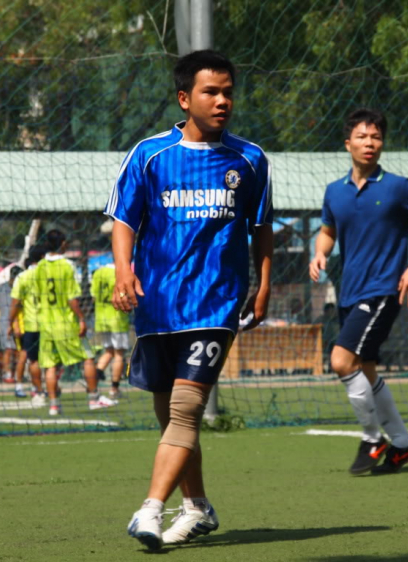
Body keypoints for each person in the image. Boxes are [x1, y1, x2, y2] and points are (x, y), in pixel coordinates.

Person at [105, 49, 273, 551]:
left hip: (215, 305)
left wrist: (263, 284)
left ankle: (150, 509)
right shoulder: (150, 155)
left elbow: (260, 229)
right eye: (210, 92)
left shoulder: (250, 159)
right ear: (184, 98)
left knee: (185, 409)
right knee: (170, 417)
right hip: (157, 305)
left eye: (228, 92)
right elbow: (124, 221)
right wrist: (122, 271)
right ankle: (197, 506)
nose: (222, 101)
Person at [309, 108, 408, 475]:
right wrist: (320, 252)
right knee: (364, 369)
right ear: (347, 142)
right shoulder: (335, 191)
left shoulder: (398, 186)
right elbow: (328, 229)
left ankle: (372, 439)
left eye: (377, 137)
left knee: (340, 361)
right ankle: (403, 445)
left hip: (384, 289)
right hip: (350, 292)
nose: (370, 144)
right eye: (363, 137)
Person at [34, 230, 117, 416]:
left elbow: (38, 295)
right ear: (63, 244)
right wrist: (81, 318)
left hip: (46, 324)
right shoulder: (67, 266)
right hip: (66, 322)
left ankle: (54, 405)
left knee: (50, 365)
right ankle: (94, 399)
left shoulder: (39, 266)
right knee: (88, 358)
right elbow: (72, 298)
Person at [9, 246, 46, 407]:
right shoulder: (50, 274)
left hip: (31, 325)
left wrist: (10, 321)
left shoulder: (23, 277)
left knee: (32, 360)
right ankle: (48, 391)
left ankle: (38, 391)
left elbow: (15, 303)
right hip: (52, 323)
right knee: (52, 362)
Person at [90, 262, 130, 399]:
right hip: (117, 318)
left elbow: (94, 296)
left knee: (108, 351)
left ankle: (94, 377)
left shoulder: (98, 273)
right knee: (119, 354)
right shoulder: (121, 272)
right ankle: (114, 389)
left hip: (101, 318)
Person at [0, 265, 24, 394]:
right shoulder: (1, 288)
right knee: (8, 349)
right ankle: (7, 374)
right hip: (5, 322)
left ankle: (17, 374)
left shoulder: (21, 287)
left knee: (19, 351)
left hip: (21, 321)